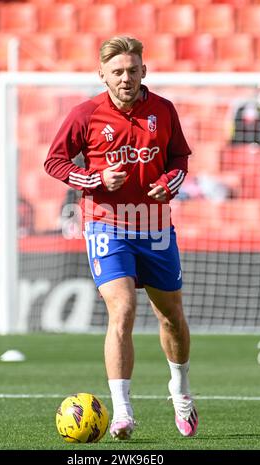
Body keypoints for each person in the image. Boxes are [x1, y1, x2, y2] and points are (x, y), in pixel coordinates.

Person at [45, 36, 198, 440]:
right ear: (102, 75)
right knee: (123, 309)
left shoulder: (163, 111)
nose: (125, 78)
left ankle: (180, 391)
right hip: (106, 224)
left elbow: (180, 157)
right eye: (117, 72)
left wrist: (169, 182)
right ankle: (122, 412)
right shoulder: (86, 114)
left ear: (143, 71)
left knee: (171, 318)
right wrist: (95, 179)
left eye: (132, 70)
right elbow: (54, 161)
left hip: (154, 225)